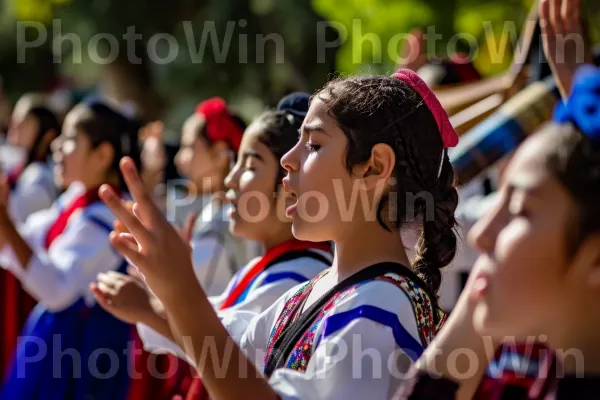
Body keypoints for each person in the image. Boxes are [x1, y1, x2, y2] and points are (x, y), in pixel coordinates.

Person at [99, 68, 460, 400]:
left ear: (374, 167)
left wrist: (180, 291)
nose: (288, 159)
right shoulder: (317, 291)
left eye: (314, 145)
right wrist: (163, 293)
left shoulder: (380, 307)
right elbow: (231, 346)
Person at [0, 99, 142, 400]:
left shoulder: (108, 218)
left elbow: (57, 290)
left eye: (70, 140)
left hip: (79, 353)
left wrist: (5, 221)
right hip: (55, 341)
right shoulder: (76, 199)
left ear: (102, 154)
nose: (57, 148)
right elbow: (25, 241)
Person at [173, 97, 259, 297]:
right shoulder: (219, 209)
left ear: (220, 153)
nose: (180, 160)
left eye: (190, 148)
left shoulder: (228, 220)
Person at [0, 98, 61, 375]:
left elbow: (13, 235)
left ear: (46, 135)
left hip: (22, 282)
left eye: (25, 122)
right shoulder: (19, 171)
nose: (15, 125)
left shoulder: (39, 179)